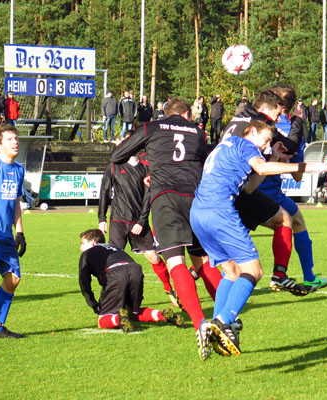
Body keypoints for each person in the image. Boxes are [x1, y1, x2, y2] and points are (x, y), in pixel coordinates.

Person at [190, 120, 327, 356]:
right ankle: (224, 320)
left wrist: (272, 158)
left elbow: (249, 189)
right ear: (251, 131)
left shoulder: (225, 145)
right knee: (254, 271)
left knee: (231, 272)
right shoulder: (246, 145)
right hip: (220, 210)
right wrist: (301, 167)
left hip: (198, 213)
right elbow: (262, 169)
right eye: (265, 139)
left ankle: (212, 325)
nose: (266, 145)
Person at [110, 98, 222, 360]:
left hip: (166, 199)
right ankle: (225, 317)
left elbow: (117, 156)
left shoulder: (152, 127)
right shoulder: (197, 131)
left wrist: (152, 162)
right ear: (185, 114)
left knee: (174, 261)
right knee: (202, 260)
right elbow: (207, 163)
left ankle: (200, 323)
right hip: (195, 198)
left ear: (165, 113)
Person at [223, 89, 311, 296]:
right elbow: (290, 146)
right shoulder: (257, 122)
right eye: (278, 114)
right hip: (230, 191)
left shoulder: (240, 115)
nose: (278, 119)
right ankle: (220, 316)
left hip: (237, 187)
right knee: (244, 269)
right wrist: (298, 120)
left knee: (286, 218)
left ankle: (281, 276)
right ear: (265, 108)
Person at [259, 84, 327, 291]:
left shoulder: (255, 120)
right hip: (268, 191)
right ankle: (306, 276)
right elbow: (297, 177)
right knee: (295, 220)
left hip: (241, 186)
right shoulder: (294, 131)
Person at [98, 132, 178, 308]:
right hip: (118, 221)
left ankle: (169, 289)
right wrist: (102, 218)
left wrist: (141, 222)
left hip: (138, 222)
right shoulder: (114, 166)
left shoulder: (145, 169)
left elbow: (147, 198)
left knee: (154, 257)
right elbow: (104, 192)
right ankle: (110, 299)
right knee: (114, 261)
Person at [78, 229, 184, 332]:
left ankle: (118, 319)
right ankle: (162, 315)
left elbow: (84, 284)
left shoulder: (87, 254)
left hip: (116, 273)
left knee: (102, 320)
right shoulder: (113, 248)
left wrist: (94, 305)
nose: (80, 248)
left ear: (93, 242)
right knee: (133, 312)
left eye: (83, 243)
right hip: (135, 270)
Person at [0, 124, 27, 338]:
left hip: (6, 237)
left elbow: (17, 201)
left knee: (13, 279)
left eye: (16, 138)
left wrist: (19, 233)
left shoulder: (19, 170)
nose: (15, 142)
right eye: (10, 139)